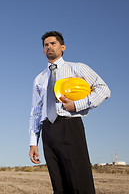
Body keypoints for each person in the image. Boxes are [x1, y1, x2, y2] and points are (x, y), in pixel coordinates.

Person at [29, 31, 111, 193]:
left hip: (70, 126)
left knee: (79, 182)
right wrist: (33, 142)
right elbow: (36, 112)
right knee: (58, 185)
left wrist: (78, 105)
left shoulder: (76, 68)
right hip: (48, 130)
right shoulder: (39, 78)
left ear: (63, 47)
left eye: (53, 43)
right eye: (46, 45)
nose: (49, 47)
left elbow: (104, 89)